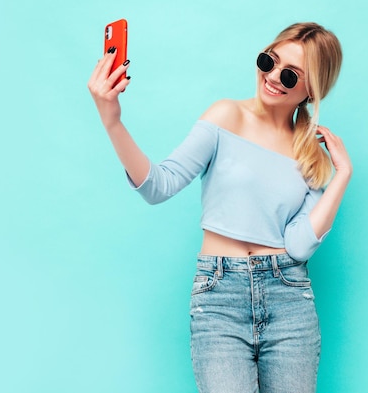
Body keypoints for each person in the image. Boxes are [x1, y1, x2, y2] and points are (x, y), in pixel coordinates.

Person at [88, 22, 352, 393]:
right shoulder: (227, 115)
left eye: (291, 75)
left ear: (312, 91)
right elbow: (157, 186)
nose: (273, 77)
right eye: (269, 61)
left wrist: (341, 176)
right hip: (220, 295)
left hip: (289, 298)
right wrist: (111, 119)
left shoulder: (309, 156)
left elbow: (300, 245)